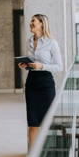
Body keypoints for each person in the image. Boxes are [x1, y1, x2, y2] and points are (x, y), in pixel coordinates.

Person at [18, 14, 63, 149]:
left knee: (47, 123)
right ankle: (32, 156)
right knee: (32, 122)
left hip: (46, 84)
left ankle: (48, 154)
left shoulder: (51, 43)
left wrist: (41, 66)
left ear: (42, 24)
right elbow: (31, 62)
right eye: (31, 21)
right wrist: (25, 66)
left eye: (33, 21)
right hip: (32, 82)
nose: (30, 23)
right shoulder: (29, 41)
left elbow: (59, 67)